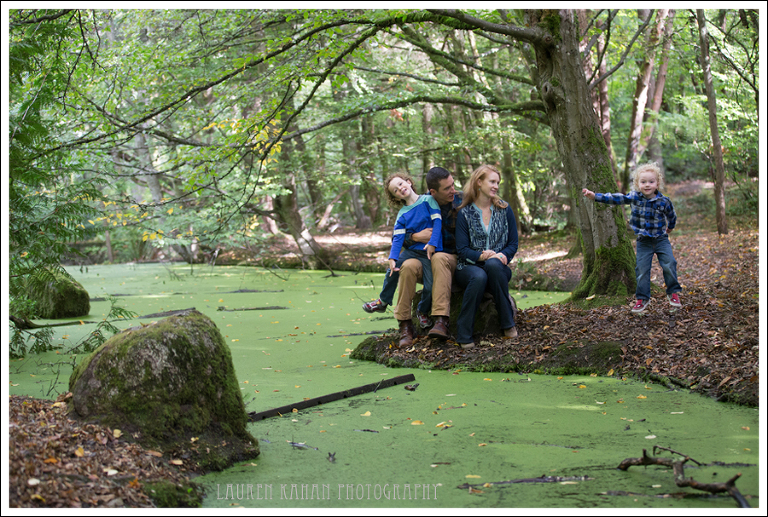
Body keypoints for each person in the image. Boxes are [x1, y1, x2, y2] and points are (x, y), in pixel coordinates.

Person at [582, 162, 681, 313]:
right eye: (643, 182)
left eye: (651, 182)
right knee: (641, 269)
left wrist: (670, 228)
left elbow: (671, 216)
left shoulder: (664, 201)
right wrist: (595, 196)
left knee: (669, 263)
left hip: (661, 239)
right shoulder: (634, 197)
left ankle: (673, 293)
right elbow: (615, 198)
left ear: (657, 183)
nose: (647, 185)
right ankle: (642, 299)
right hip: (643, 241)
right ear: (637, 184)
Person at [365, 173, 443, 343]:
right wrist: (392, 258)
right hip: (412, 252)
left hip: (430, 251)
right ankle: (383, 300)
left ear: (408, 182)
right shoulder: (402, 214)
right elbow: (398, 238)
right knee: (393, 269)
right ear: (395, 197)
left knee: (431, 285)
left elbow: (437, 223)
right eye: (396, 190)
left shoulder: (427, 200)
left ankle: (422, 311)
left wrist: (432, 243)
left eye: (400, 184)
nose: (400, 189)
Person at [454, 164, 519, 349]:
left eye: (498, 182)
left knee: (493, 266)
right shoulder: (464, 213)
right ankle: (464, 334)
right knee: (479, 275)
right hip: (468, 267)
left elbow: (513, 243)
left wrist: (503, 256)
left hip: (498, 268)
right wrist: (481, 256)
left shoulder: (504, 209)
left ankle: (508, 324)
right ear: (479, 182)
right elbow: (462, 250)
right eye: (492, 181)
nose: (496, 186)